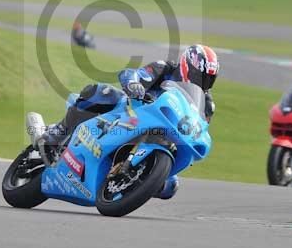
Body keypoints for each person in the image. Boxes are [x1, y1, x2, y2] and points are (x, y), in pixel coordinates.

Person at [38, 44, 220, 199]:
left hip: (164, 134)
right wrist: (134, 84)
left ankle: (131, 179)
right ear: (187, 66)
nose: (204, 82)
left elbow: (199, 127)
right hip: (131, 112)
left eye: (209, 78)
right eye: (201, 75)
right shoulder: (164, 68)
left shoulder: (207, 105)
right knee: (102, 93)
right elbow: (134, 74)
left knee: (170, 187)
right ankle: (57, 134)